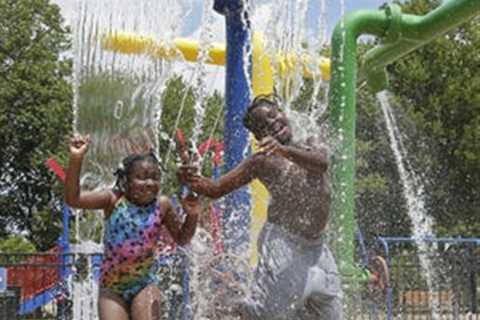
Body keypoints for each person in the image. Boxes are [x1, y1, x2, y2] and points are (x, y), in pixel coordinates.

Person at [179, 95, 343, 319]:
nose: (273, 123)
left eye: (275, 115)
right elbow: (216, 188)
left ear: (284, 113)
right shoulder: (262, 162)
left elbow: (321, 164)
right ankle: (231, 305)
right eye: (264, 126)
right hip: (284, 244)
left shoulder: (310, 143)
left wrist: (284, 151)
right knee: (267, 314)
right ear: (259, 136)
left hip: (317, 247)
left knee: (331, 312)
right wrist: (192, 178)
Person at [64, 134, 201, 320]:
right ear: (126, 181)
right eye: (141, 178)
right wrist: (76, 158)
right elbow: (74, 199)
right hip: (112, 288)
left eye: (155, 178)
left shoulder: (162, 205)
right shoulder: (113, 200)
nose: (150, 183)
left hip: (144, 285)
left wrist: (192, 216)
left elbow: (182, 238)